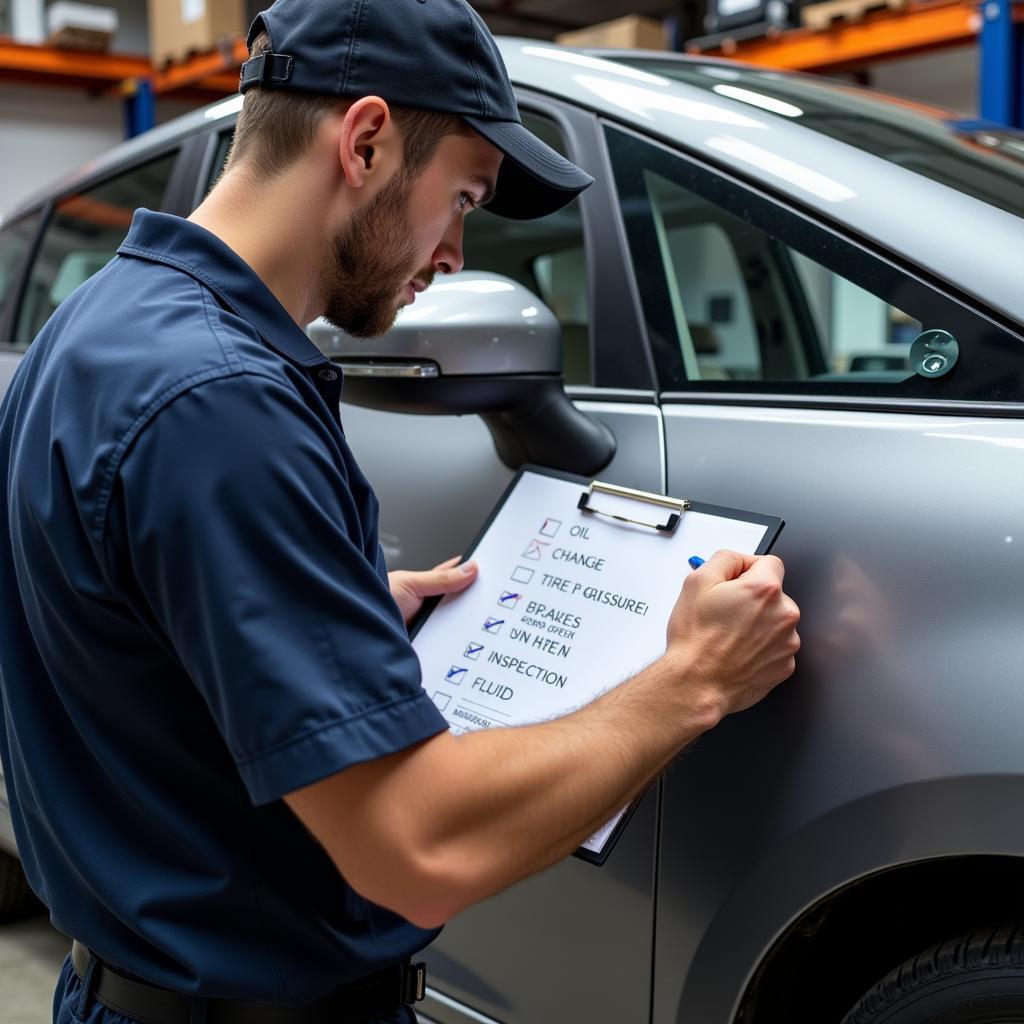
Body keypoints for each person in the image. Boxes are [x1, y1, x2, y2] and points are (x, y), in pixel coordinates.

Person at [0, 1, 801, 1022]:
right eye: (462, 198)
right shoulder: (220, 402)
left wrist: (322, 612)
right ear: (367, 140)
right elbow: (416, 848)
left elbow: (105, 620)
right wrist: (693, 679)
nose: (456, 252)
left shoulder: (101, 324)